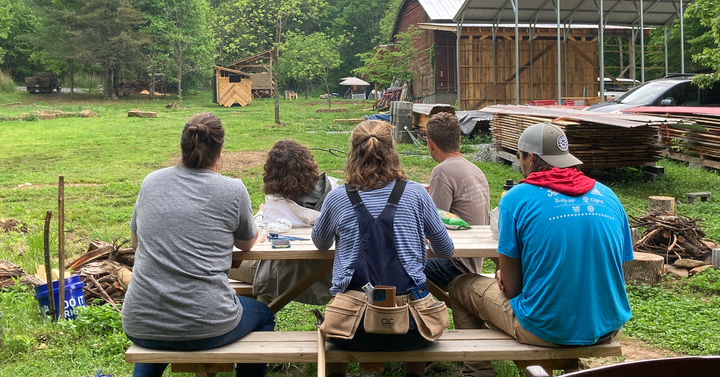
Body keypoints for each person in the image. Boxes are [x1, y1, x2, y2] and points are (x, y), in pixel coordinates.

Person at [449, 122, 633, 377]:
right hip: (607, 326)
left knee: (460, 286)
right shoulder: (608, 195)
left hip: (544, 329)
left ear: (530, 157)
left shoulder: (516, 198)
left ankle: (479, 372)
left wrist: (507, 276)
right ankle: (570, 367)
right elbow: (614, 268)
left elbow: (512, 290)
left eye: (519, 156)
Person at [122, 113, 276, 377]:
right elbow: (247, 244)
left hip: (139, 320)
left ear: (182, 148)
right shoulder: (233, 190)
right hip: (208, 324)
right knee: (264, 314)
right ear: (221, 152)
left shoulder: (151, 182)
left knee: (161, 328)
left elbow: (135, 242)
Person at [312, 120, 455, 377]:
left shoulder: (336, 197)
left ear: (352, 153)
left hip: (352, 330)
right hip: (412, 330)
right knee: (416, 304)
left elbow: (320, 242)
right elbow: (445, 250)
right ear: (392, 151)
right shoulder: (416, 194)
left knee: (336, 318)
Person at [229, 139, 338, 305]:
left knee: (222, 265)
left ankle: (260, 317)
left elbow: (257, 231)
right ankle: (261, 312)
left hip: (278, 273)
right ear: (309, 163)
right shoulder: (332, 191)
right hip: (326, 275)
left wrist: (260, 213)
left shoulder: (277, 204)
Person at [424, 112, 490, 288]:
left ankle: (417, 314)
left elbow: (431, 226)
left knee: (397, 264)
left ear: (430, 144)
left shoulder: (442, 172)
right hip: (474, 259)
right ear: (459, 140)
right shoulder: (475, 170)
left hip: (455, 264)